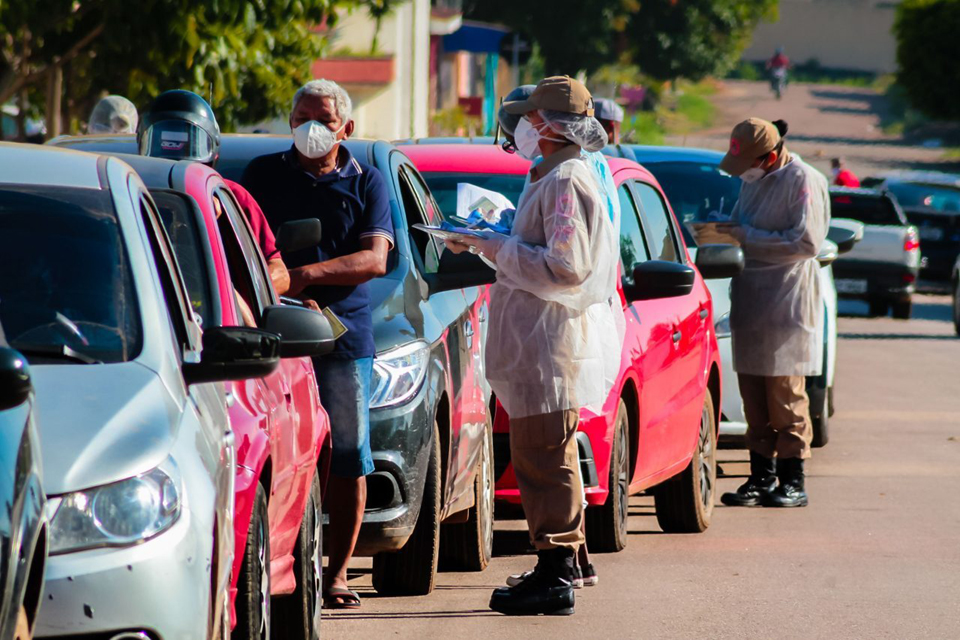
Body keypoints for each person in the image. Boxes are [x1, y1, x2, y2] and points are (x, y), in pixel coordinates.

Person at [448, 75, 621, 616]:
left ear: (548, 123)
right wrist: (492, 239)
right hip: (537, 339)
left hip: (547, 341)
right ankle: (568, 560)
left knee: (544, 456)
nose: (521, 127)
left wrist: (496, 245)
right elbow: (544, 249)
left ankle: (557, 571)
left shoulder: (567, 180)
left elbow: (566, 266)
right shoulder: (551, 175)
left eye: (528, 117)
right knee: (549, 453)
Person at [241, 79, 394, 609]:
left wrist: (303, 277)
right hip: (271, 335)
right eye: (301, 116)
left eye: (323, 120)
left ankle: (337, 574)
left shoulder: (368, 182)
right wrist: (281, 291)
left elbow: (375, 259)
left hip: (343, 340)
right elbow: (241, 249)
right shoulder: (262, 175)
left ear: (346, 128)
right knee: (272, 454)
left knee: (350, 456)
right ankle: (273, 565)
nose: (310, 128)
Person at [715, 118, 830, 509]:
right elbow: (738, 225)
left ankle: (793, 479)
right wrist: (719, 232)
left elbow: (806, 241)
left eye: (749, 163)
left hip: (787, 301)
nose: (743, 172)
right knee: (754, 400)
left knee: (785, 397)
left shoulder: (803, 179)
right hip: (750, 297)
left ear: (770, 155)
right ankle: (760, 477)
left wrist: (743, 236)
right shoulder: (751, 180)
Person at [137, 90, 289, 295]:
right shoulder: (127, 194)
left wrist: (240, 299)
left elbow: (279, 273)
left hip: (222, 319)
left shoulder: (232, 196)